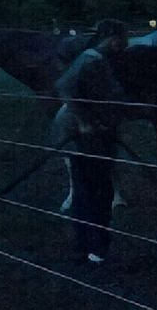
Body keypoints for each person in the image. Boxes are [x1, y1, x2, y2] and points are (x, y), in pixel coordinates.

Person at [52, 21, 128, 263]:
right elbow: (64, 87)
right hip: (86, 138)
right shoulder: (91, 59)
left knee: (93, 188)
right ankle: (93, 247)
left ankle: (90, 245)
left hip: (98, 133)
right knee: (93, 189)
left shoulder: (101, 60)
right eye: (122, 38)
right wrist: (83, 121)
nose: (125, 43)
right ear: (112, 37)